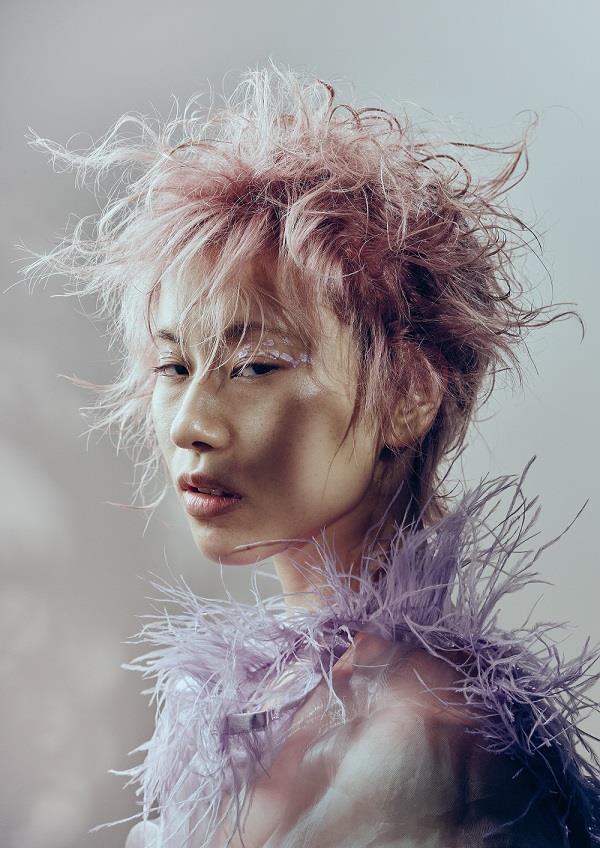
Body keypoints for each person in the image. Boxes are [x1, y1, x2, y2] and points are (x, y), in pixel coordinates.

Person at [24, 63, 600, 847]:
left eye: (255, 366)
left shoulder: (435, 741)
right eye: (174, 366)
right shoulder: (259, 713)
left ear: (409, 394)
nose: (190, 423)